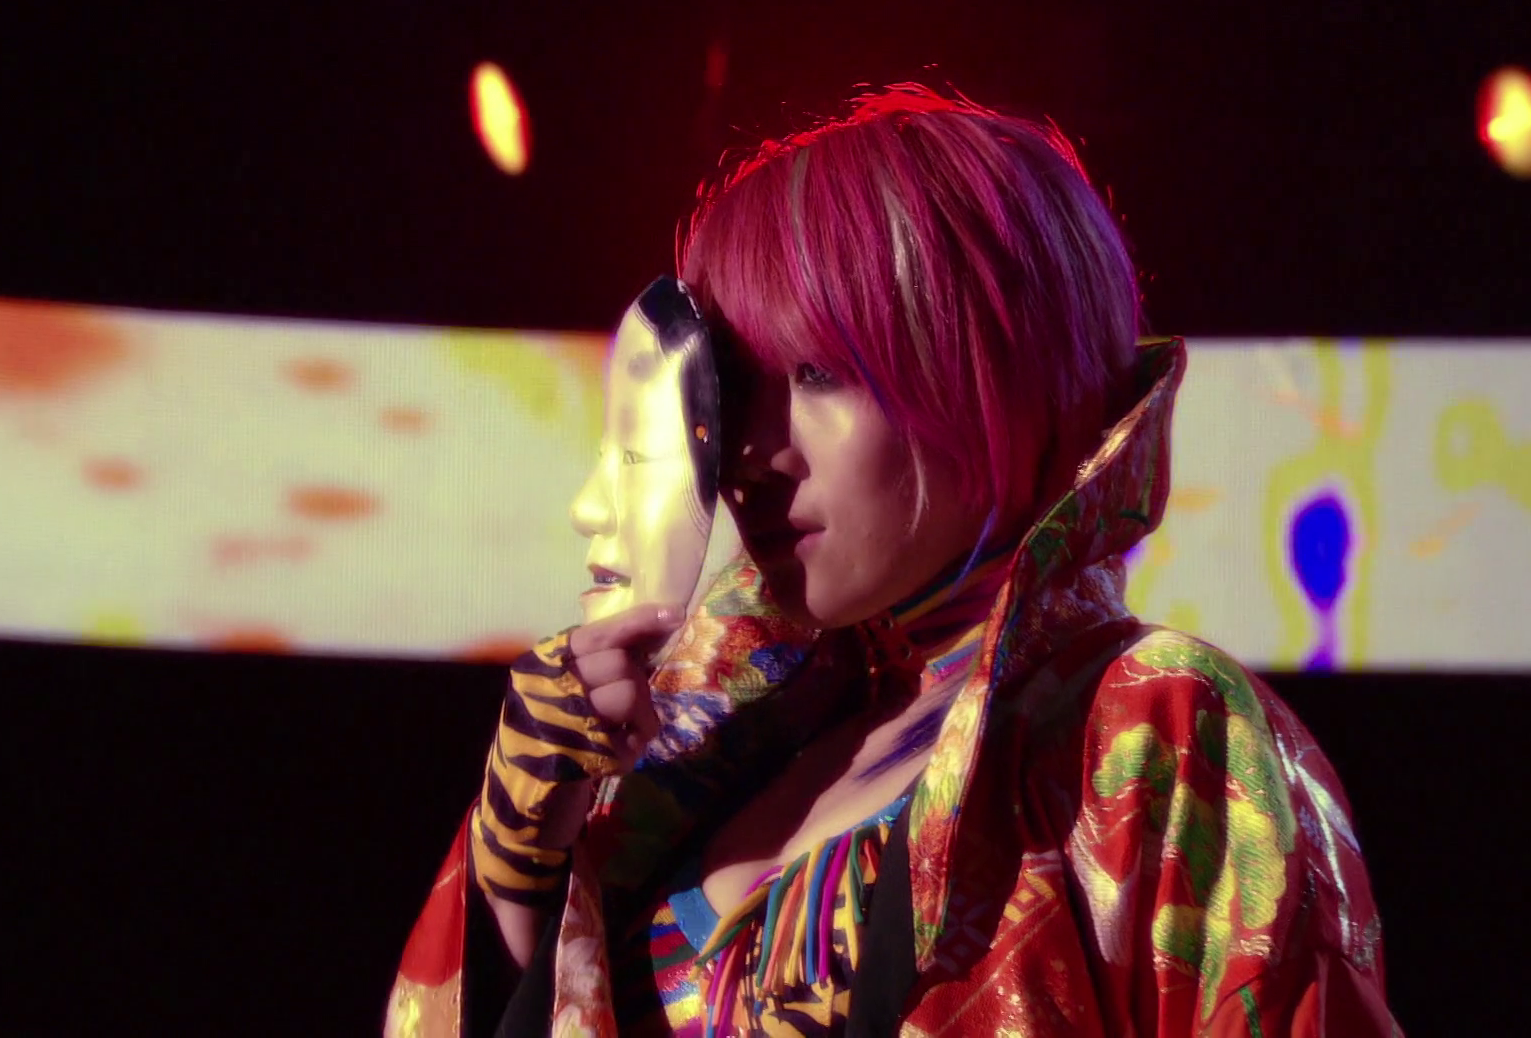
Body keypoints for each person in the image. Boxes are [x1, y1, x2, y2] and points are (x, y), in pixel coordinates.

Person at [388, 85, 1402, 1037]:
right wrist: (522, 877)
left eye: (817, 374)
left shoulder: (1155, 728)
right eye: (739, 391)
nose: (751, 454)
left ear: (998, 366)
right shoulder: (702, 751)